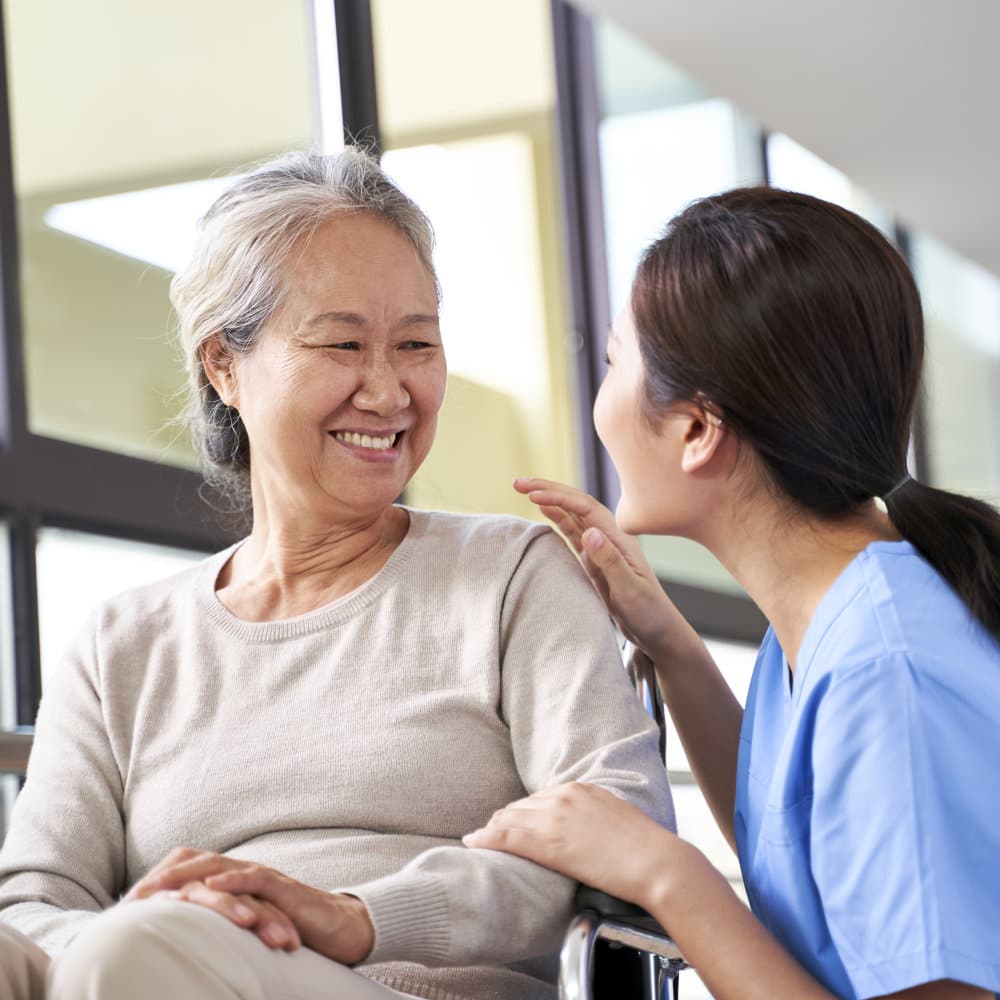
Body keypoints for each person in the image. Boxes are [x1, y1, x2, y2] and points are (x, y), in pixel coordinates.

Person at [0, 148, 676, 1000]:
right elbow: (33, 900)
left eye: (417, 344)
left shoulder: (510, 576)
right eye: (344, 343)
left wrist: (359, 916)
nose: (389, 391)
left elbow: (620, 830)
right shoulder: (121, 644)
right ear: (224, 366)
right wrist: (160, 939)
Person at [465, 187, 1000, 1000]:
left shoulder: (886, 671)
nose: (603, 402)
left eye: (614, 363)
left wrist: (665, 874)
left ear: (697, 431)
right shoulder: (842, 615)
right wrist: (671, 646)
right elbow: (798, 851)